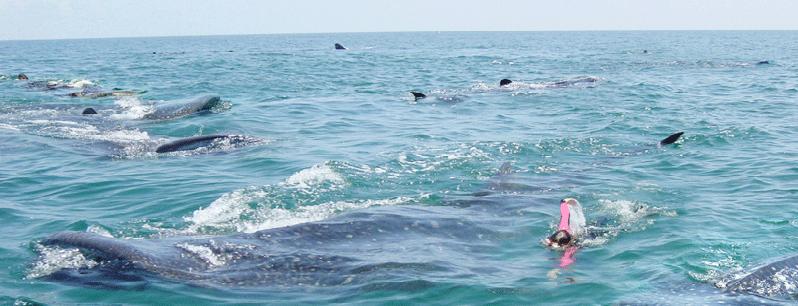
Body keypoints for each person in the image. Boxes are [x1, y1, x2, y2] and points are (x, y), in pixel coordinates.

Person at [544, 198, 586, 270]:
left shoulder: (571, 247)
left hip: (584, 236)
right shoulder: (563, 227)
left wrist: (555, 270)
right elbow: (564, 211)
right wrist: (565, 201)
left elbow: (566, 260)